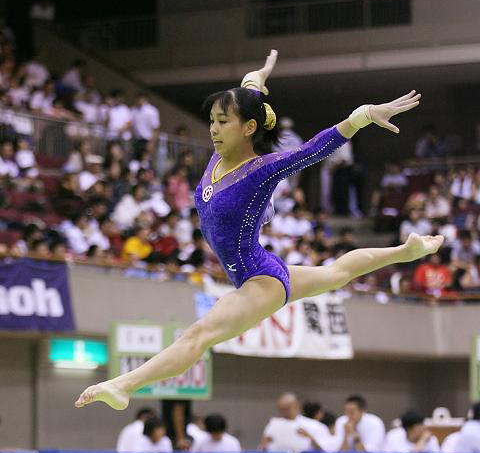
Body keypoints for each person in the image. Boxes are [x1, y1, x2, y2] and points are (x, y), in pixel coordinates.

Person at [75, 50, 443, 410]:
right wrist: (258, 77)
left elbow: (313, 150)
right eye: (213, 121)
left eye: (223, 122)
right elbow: (249, 91)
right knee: (335, 274)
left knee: (198, 335)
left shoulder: (260, 170)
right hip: (260, 266)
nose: (214, 129)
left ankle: (122, 386)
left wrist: (362, 117)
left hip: (258, 279)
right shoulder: (219, 157)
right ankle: (405, 252)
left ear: (249, 127)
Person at [260, 393, 332, 453]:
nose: (283, 413)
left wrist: (310, 438)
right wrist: (264, 444)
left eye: (286, 409)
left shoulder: (315, 426)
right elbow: (262, 449)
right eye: (281, 410)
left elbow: (325, 452)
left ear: (296, 406)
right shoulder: (273, 424)